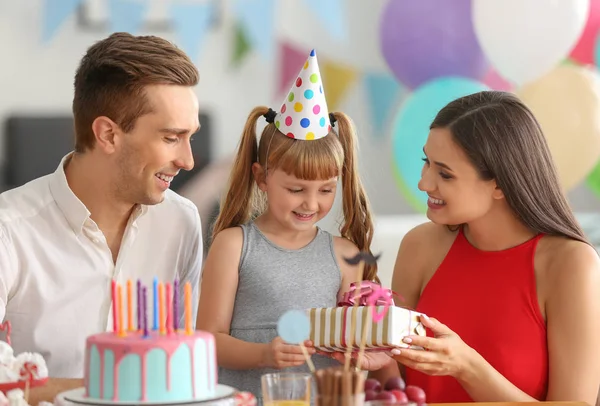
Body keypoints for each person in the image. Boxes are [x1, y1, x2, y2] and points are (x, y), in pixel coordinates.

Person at [0, 33, 204, 403]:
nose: (188, 160)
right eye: (172, 137)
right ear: (108, 133)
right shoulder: (9, 231)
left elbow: (181, 364)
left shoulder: (181, 222)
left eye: (191, 137)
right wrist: (108, 392)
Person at [196, 49, 396, 401]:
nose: (311, 203)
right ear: (261, 178)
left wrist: (373, 354)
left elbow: (356, 347)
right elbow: (209, 338)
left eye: (325, 190)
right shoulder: (234, 245)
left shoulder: (345, 254)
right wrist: (263, 355)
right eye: (296, 189)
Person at [387, 91, 600, 405]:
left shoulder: (569, 263)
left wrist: (467, 366)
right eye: (426, 163)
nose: (424, 183)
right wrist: (367, 355)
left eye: (444, 173)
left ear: (500, 183)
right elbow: (395, 387)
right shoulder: (419, 246)